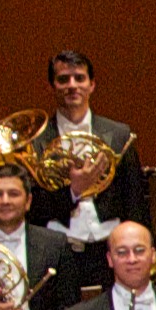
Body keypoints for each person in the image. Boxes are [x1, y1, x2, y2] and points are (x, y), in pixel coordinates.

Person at [12, 48, 138, 243]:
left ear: (92, 85)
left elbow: (134, 199)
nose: (72, 85)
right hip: (60, 246)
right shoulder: (35, 141)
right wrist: (73, 191)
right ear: (51, 87)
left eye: (80, 78)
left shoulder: (119, 134)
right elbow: (32, 207)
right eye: (63, 79)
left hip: (111, 246)